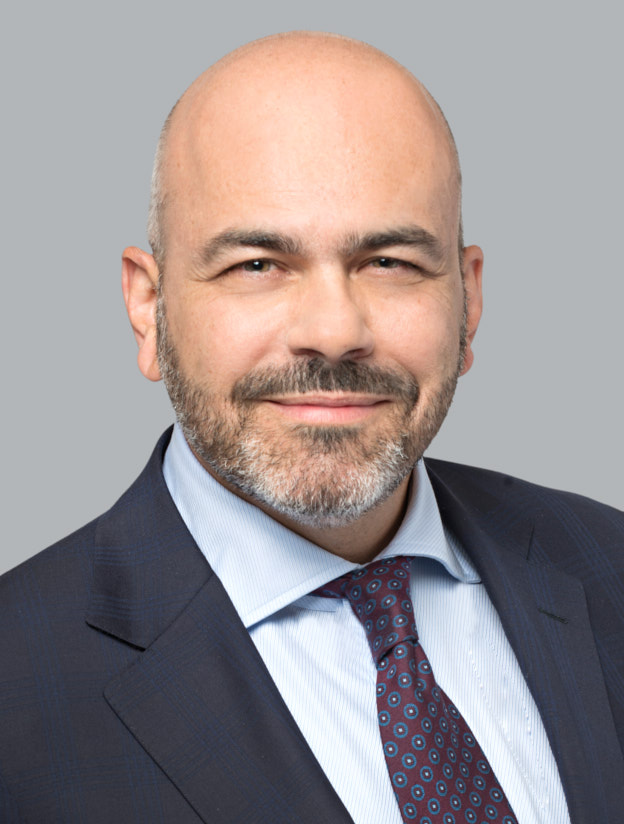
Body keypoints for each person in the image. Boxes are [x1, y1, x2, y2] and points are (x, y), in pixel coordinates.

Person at [0, 31, 622, 824]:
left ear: (468, 301)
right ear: (148, 308)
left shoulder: (608, 565)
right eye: (257, 264)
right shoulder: (16, 685)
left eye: (390, 262)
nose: (333, 331)